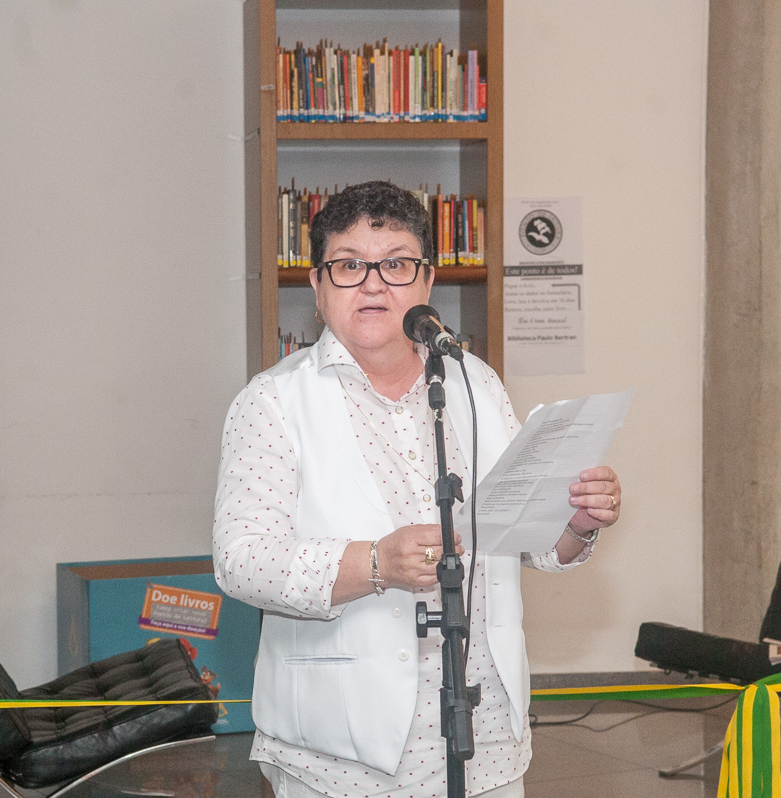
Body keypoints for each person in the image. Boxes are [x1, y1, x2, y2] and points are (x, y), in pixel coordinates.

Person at [213, 181, 622, 798]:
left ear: (427, 280)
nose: (374, 285)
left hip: (484, 741)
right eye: (348, 265)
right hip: (340, 754)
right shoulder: (272, 401)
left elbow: (524, 539)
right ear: (317, 286)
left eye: (397, 264)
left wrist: (575, 523)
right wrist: (375, 563)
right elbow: (241, 561)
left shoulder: (474, 382)